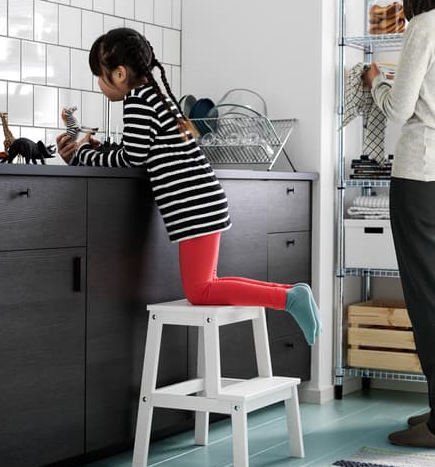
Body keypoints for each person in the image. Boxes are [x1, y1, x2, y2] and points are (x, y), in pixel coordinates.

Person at [56, 27, 321, 346]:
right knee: (208, 284)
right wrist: (98, 151)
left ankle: (290, 299)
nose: (99, 84)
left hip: (194, 206)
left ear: (120, 73)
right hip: (202, 201)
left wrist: (82, 154)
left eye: (100, 76)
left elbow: (133, 157)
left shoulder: (138, 101)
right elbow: (141, 149)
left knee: (201, 291)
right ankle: (290, 295)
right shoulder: (152, 94)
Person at [363, 0, 435, 448]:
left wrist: (374, 83)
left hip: (420, 176)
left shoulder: (423, 26)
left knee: (426, 297)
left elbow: (401, 108)